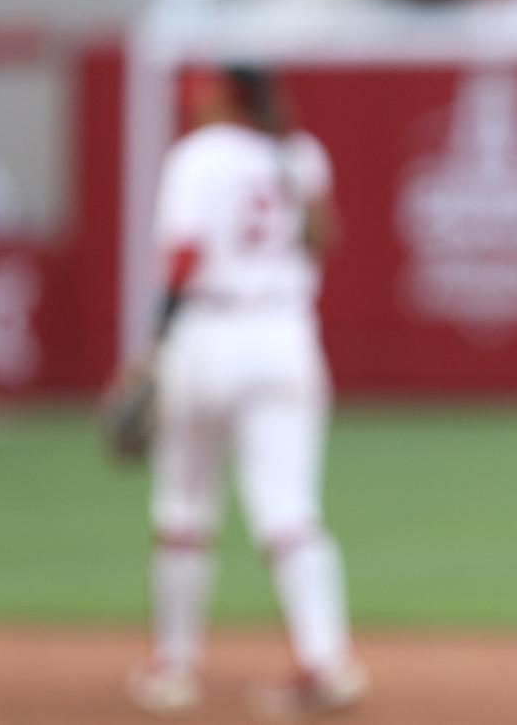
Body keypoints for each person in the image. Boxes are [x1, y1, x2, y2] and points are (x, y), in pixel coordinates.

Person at [115, 66, 365, 719]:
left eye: (204, 89)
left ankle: (172, 668)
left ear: (227, 95)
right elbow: (322, 240)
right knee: (290, 513)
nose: (195, 100)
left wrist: (152, 348)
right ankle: (327, 663)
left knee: (183, 508)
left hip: (205, 335)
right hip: (285, 337)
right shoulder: (301, 152)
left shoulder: (198, 155)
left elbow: (181, 255)